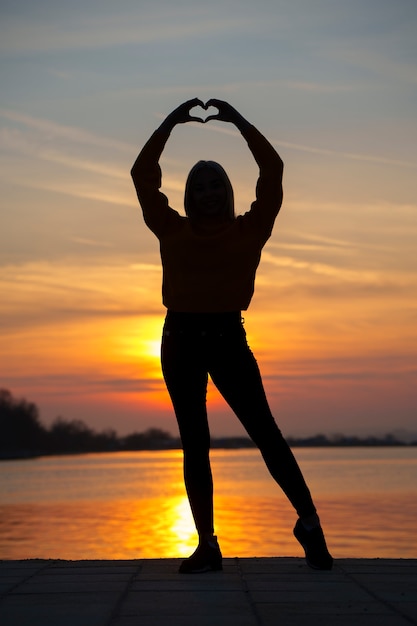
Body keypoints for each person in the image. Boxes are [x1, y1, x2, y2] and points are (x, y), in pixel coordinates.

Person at [131, 98, 333, 574]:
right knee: (194, 442)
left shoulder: (252, 228)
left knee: (266, 434)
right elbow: (143, 176)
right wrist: (168, 124)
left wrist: (240, 123)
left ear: (227, 190)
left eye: (216, 184)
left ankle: (309, 524)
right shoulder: (170, 228)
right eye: (199, 187)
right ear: (189, 195)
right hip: (179, 337)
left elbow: (273, 169)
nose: (207, 193)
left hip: (227, 337)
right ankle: (207, 544)